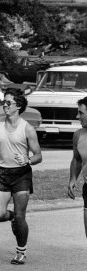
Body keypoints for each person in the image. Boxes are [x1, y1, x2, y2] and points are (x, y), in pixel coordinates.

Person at [0, 88, 42, 265]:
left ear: (18, 106)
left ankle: (21, 251)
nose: (5, 105)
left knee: (21, 216)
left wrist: (28, 159)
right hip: (1, 173)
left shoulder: (28, 129)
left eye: (8, 103)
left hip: (21, 174)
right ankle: (13, 218)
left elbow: (39, 155)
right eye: (4, 102)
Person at [68, 97, 87, 238]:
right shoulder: (78, 135)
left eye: (81, 113)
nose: (77, 116)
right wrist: (73, 178)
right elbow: (77, 159)